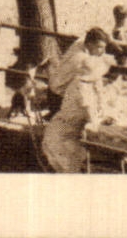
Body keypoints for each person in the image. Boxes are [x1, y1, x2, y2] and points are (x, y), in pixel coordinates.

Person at [42, 27, 114, 173]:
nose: (102, 52)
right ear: (90, 44)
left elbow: (96, 84)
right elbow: (88, 108)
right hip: (58, 93)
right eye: (100, 47)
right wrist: (100, 117)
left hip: (69, 97)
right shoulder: (80, 62)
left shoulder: (85, 50)